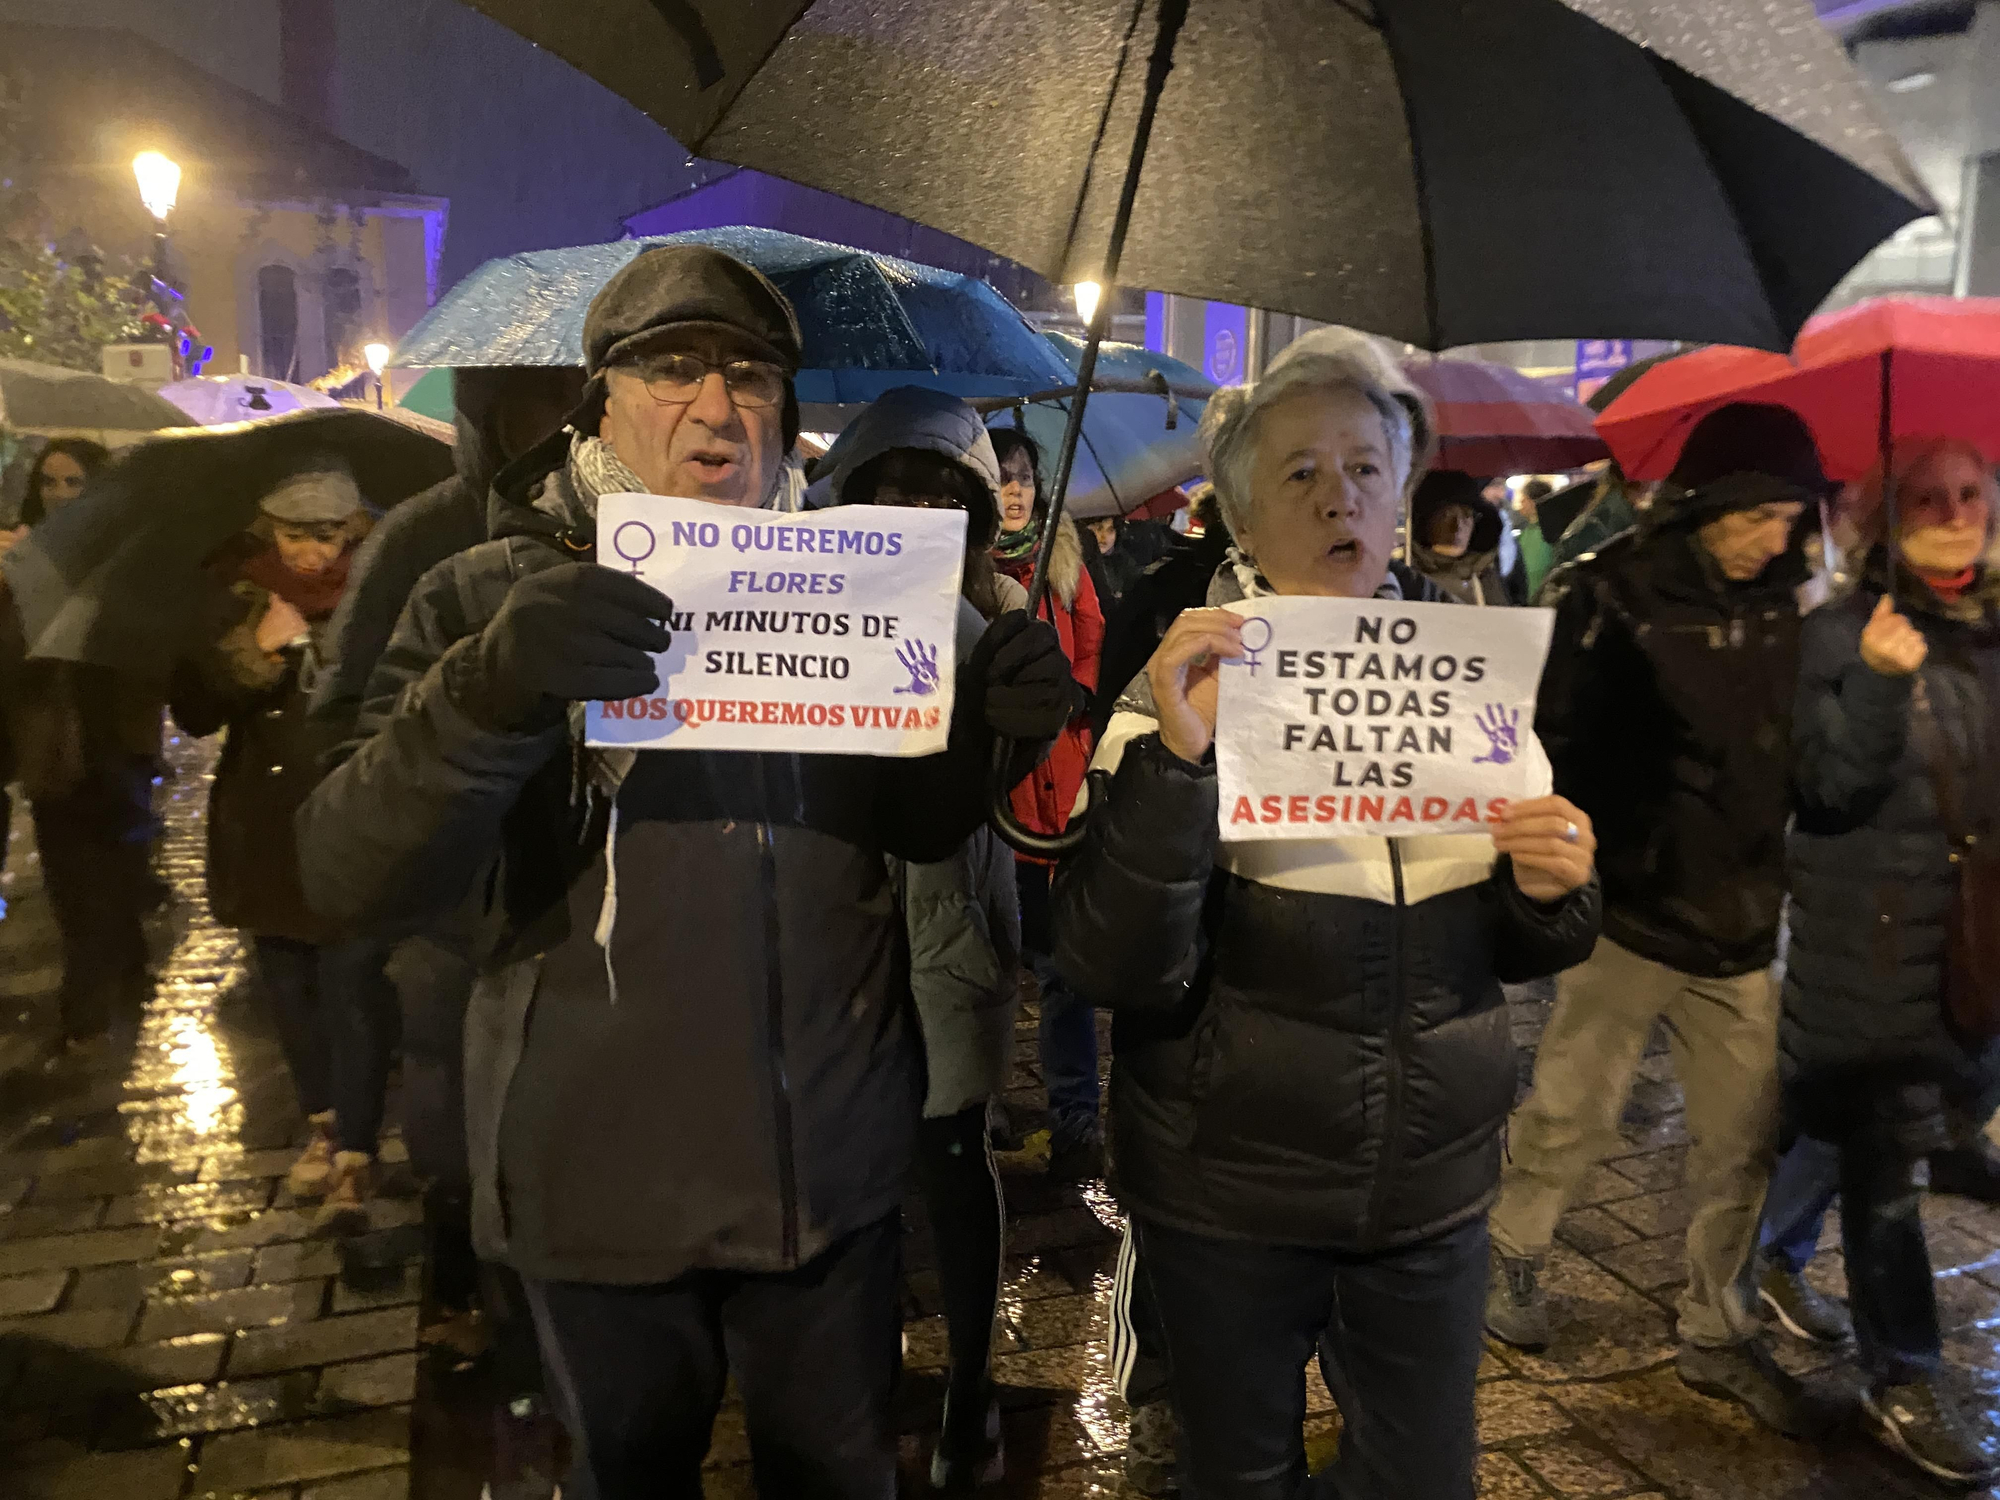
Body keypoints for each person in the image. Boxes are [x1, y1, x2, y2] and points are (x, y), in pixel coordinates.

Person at [295, 245, 1072, 1498]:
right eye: (672, 369)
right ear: (597, 396)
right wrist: (489, 691)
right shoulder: (482, 591)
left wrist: (989, 724)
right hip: (594, 1188)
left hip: (826, 1181)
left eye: (754, 376)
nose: (717, 407)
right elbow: (348, 874)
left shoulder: (856, 593)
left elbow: (916, 827)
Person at [1052, 327, 1602, 1500]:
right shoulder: (1170, 699)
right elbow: (1110, 962)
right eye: (1297, 473)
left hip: (1429, 1194)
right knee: (1235, 1474)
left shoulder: (1465, 694)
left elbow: (1515, 938)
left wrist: (1554, 890)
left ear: (1401, 493)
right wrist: (1179, 771)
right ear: (1237, 518)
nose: (1337, 496)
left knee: (1420, 1477)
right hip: (1226, 1200)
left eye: (1363, 466)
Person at [1483, 403, 1829, 1435]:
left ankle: (1716, 1328)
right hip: (1627, 914)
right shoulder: (1611, 592)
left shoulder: (1794, 606)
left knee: (1739, 1140)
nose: (1774, 537)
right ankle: (1512, 1254)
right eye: (1759, 514)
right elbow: (1550, 738)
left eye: (1790, 517)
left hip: (1740, 925)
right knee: (1570, 1110)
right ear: (1709, 504)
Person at [306, 365, 587, 1500]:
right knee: (467, 1204)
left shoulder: (676, 540)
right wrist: (483, 692)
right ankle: (473, 1416)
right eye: (528, 402)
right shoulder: (429, 541)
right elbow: (344, 760)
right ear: (481, 416)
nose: (554, 424)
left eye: (576, 395)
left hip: (586, 991)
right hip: (452, 960)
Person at [1777, 436, 2000, 1485]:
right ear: (1883, 516)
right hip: (1868, 947)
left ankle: (1768, 1249)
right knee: (1884, 1174)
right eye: (1923, 497)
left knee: (1900, 1138)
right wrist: (1871, 680)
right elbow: (1820, 783)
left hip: (1968, 946)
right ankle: (1898, 1375)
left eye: (1967, 493)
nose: (1950, 512)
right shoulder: (1834, 632)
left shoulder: (1989, 633)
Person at [819, 385, 1026, 1489]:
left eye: (938, 498)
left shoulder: (986, 631)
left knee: (951, 1159)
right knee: (849, 1169)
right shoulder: (791, 609)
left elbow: (1013, 803)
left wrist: (1020, 707)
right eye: (888, 489)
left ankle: (971, 1386)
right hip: (833, 930)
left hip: (946, 925)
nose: (909, 512)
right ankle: (861, 1373)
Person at [167, 455, 398, 1235]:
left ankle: (358, 1151)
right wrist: (258, 650)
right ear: (268, 528)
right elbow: (194, 710)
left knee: (354, 982)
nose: (312, 553)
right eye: (296, 534)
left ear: (355, 528)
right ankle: (324, 1123)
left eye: (329, 533)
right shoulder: (230, 590)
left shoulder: (389, 585)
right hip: (263, 821)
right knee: (292, 987)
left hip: (354, 809)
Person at [0, 437, 164, 1053]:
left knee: (120, 864)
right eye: (50, 482)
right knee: (70, 878)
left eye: (74, 482)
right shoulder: (18, 554)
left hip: (117, 731)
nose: (61, 494)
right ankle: (88, 1008)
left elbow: (147, 644)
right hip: (49, 738)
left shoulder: (128, 550)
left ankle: (122, 972)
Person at [988, 425, 1106, 1179]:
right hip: (997, 784)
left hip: (1060, 785)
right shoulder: (967, 565)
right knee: (991, 961)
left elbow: (1092, 633)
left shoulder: (1062, 559)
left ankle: (1075, 1121)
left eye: (1025, 475)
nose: (1015, 488)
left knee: (1065, 974)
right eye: (1001, 475)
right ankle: (987, 1107)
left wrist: (1081, 694)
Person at [1407, 468, 1525, 605]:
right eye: (1446, 515)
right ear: (1426, 521)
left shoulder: (1487, 577)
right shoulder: (1404, 576)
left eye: (1466, 515)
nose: (1457, 526)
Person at [1514, 477, 1556, 600]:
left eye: (1524, 499)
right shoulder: (1526, 531)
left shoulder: (1549, 531)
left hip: (1543, 598)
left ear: (1533, 502)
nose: (1521, 503)